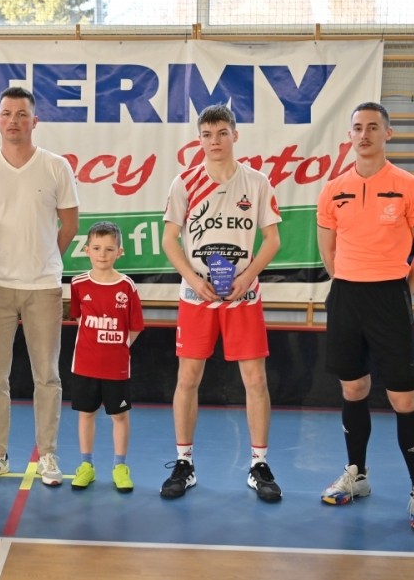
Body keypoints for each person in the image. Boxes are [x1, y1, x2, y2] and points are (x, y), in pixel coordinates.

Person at [316, 101, 414, 533]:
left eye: (373, 127)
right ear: (349, 135)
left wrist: (400, 292)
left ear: (388, 134)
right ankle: (357, 474)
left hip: (390, 296)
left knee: (403, 398)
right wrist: (350, 282)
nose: (364, 134)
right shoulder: (333, 189)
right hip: (347, 297)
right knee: (353, 388)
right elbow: (328, 250)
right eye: (357, 127)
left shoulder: (409, 186)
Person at [159, 104, 283, 502]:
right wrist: (193, 278)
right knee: (188, 378)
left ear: (235, 135)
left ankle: (259, 464)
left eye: (222, 133)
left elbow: (273, 240)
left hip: (243, 297)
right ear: (199, 139)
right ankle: (184, 463)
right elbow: (169, 240)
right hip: (197, 297)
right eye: (207, 135)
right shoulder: (185, 182)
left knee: (256, 380)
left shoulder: (257, 182)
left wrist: (247, 276)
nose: (214, 141)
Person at [0, 85, 80, 487]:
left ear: (35, 121)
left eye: (22, 114)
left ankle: (48, 455)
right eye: (7, 113)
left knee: (47, 376)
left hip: (43, 286)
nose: (14, 120)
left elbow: (70, 224)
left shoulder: (56, 167)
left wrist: (45, 258)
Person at [68, 221, 144, 492]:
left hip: (116, 367)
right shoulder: (78, 284)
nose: (102, 254)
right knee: (86, 414)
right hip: (85, 365)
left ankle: (120, 466)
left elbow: (135, 326)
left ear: (119, 252)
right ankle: (86, 465)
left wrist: (118, 346)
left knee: (119, 416)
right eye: (97, 248)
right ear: (86, 250)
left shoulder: (127, 286)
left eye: (109, 249)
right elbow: (78, 318)